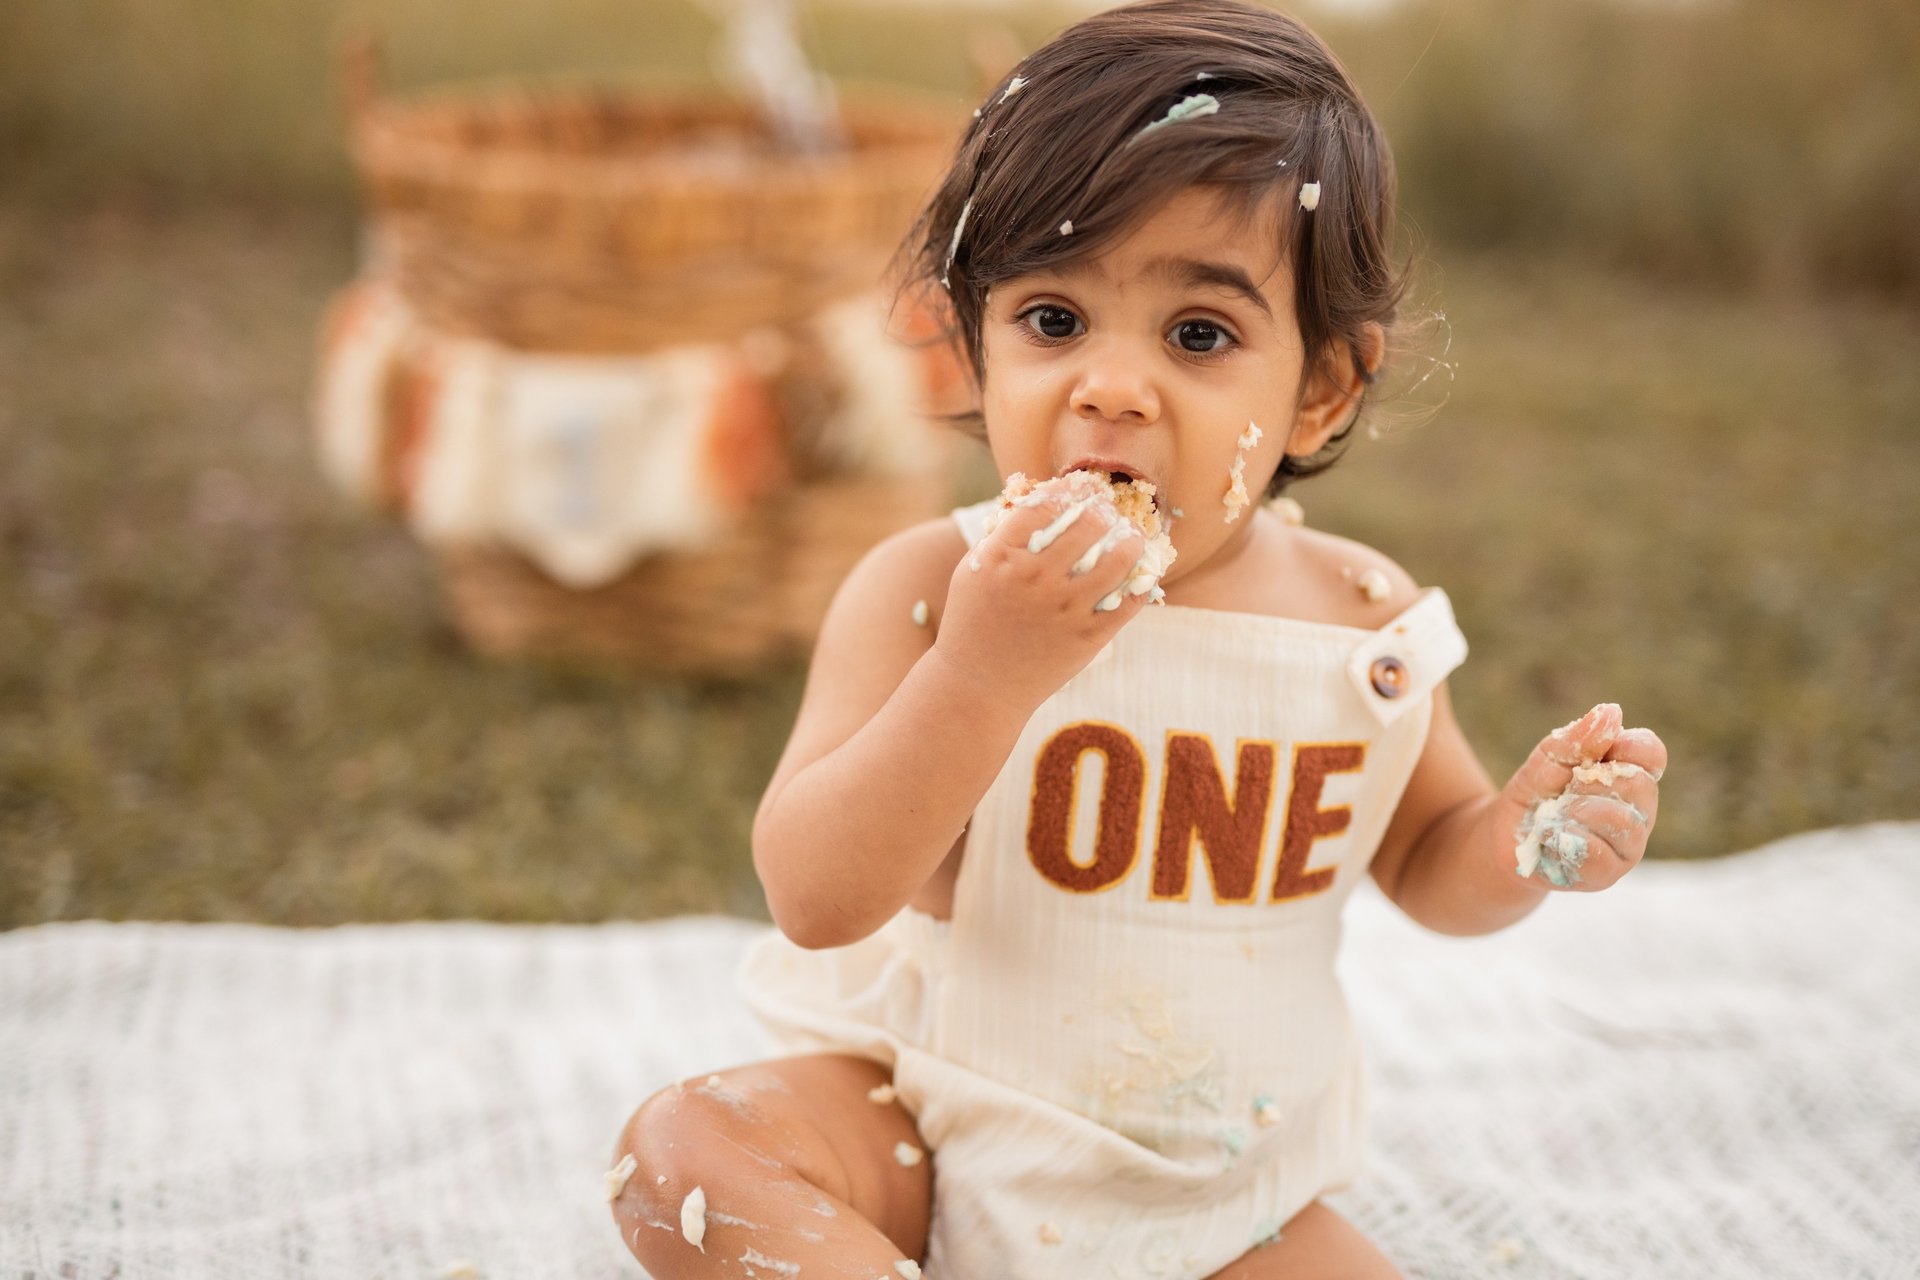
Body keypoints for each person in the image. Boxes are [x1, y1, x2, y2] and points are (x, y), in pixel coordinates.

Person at [609, 1, 1668, 1275]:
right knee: (686, 1158)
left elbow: (1434, 862)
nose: (1110, 386)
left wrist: (1524, 838)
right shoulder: (930, 588)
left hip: (1221, 1193)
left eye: (1199, 333)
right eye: (1052, 321)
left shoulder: (1360, 624)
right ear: (971, 348)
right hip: (925, 1125)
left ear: (1322, 385)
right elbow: (816, 896)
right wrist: (983, 667)